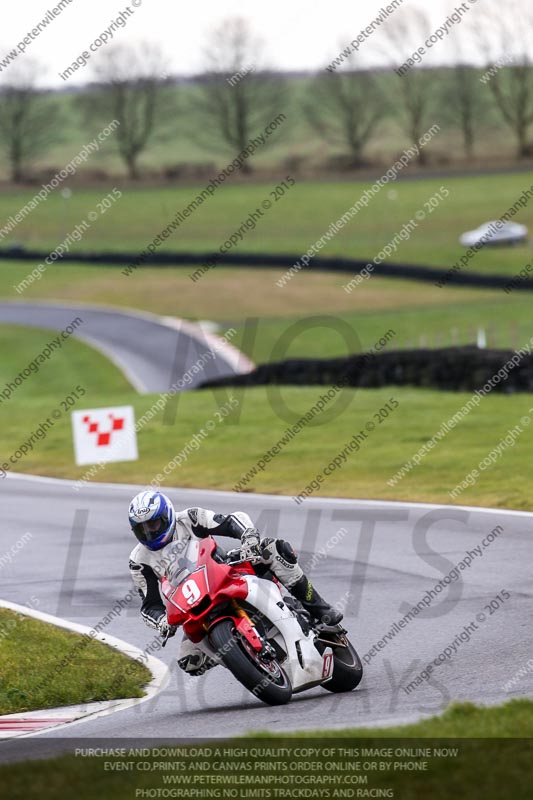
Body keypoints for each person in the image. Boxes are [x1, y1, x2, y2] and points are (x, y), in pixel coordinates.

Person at [128, 490, 344, 676]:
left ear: (167, 516)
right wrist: (162, 622)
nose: (150, 532)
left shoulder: (190, 518)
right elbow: (150, 605)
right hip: (194, 604)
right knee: (190, 662)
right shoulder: (138, 560)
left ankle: (318, 608)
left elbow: (231, 521)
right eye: (142, 529)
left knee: (274, 550)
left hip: (226, 571)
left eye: (154, 524)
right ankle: (244, 657)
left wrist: (248, 537)